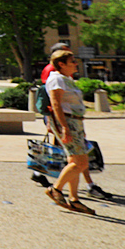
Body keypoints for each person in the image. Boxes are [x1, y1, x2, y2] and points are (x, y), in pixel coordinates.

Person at [44, 50, 97, 215]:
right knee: (81, 163)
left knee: (74, 161)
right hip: (68, 123)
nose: (76, 64)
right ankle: (56, 189)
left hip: (74, 122)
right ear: (61, 64)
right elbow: (56, 105)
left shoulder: (66, 79)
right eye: (72, 61)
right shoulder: (57, 79)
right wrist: (65, 127)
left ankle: (74, 199)